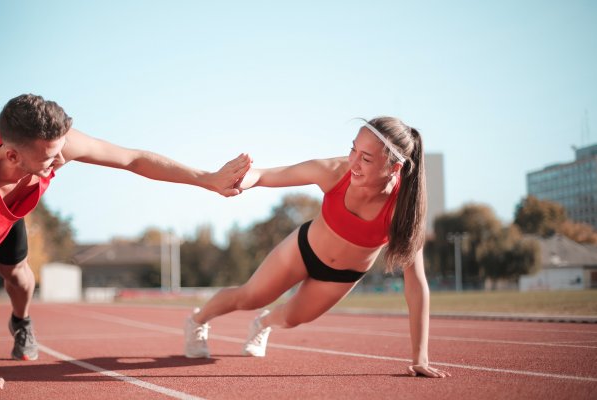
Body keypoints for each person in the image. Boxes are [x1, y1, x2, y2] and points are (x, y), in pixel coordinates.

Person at [0, 93, 252, 393]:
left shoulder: (59, 146)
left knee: (20, 277)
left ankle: (21, 322)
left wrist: (206, 179)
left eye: (60, 151)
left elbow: (133, 159)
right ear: (12, 155)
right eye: (50, 158)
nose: (60, 161)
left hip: (7, 216)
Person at [184, 116, 450, 378]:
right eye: (352, 149)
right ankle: (197, 320)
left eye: (366, 159)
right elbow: (265, 175)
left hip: (342, 276)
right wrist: (237, 180)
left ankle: (262, 324)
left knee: (290, 318)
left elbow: (415, 282)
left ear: (394, 168)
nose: (353, 163)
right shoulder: (334, 171)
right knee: (251, 296)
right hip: (303, 250)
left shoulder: (403, 209)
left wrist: (420, 359)